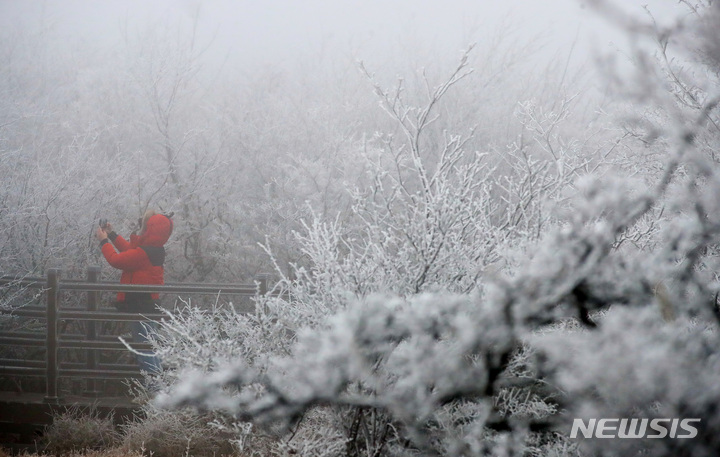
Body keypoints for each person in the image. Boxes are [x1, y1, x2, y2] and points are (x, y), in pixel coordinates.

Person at [95, 210, 173, 375]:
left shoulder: (144, 253)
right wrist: (112, 235)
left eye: (144, 225)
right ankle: (157, 385)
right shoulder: (154, 249)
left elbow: (117, 260)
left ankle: (154, 388)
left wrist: (104, 242)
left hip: (140, 305)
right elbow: (130, 250)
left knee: (144, 347)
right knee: (149, 345)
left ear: (150, 230)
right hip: (147, 304)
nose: (141, 228)